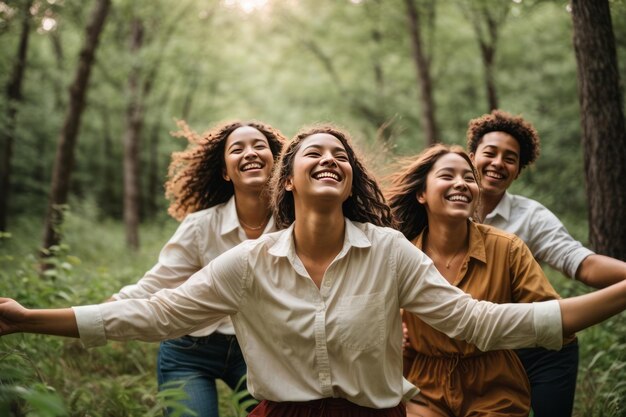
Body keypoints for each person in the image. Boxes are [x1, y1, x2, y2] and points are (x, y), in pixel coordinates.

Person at [1, 125, 626, 417]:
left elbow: (481, 322)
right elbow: (151, 312)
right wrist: (29, 320)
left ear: (349, 177)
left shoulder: (388, 250)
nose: (329, 160)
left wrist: (620, 294)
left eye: (339, 155)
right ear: (288, 179)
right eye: (313, 154)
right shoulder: (246, 264)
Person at [109, 119, 286, 417]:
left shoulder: (294, 226)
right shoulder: (201, 226)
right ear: (225, 172)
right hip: (188, 351)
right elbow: (156, 284)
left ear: (279, 163)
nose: (250, 153)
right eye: (237, 149)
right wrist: (106, 312)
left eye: (259, 146)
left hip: (256, 351)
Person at [386, 144, 576, 417]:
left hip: (495, 388)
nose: (461, 184)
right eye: (447, 176)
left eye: (468, 178)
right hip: (424, 390)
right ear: (421, 194)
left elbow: (551, 319)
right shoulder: (399, 255)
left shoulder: (507, 248)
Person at [466, 110, 626, 417]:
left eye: (510, 158)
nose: (499, 163)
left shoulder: (531, 216)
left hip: (542, 348)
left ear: (518, 171)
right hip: (480, 350)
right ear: (471, 156)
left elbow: (581, 263)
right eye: (490, 153)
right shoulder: (443, 209)